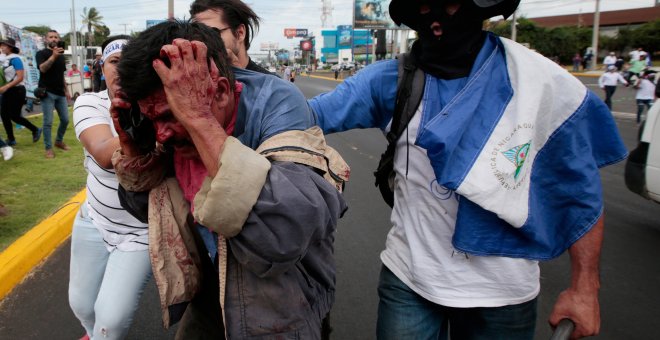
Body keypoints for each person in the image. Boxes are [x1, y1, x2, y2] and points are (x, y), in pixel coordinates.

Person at [308, 0, 627, 339]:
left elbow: (580, 190)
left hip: (504, 294)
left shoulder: (537, 83)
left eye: (451, 6)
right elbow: (305, 115)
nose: (436, 21)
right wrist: (247, 79)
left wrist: (584, 289)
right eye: (427, 7)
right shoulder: (392, 80)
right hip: (410, 278)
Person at [113, 20, 348, 339]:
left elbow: (282, 237)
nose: (162, 133)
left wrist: (196, 118)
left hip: (283, 304)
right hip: (213, 290)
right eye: (153, 119)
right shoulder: (168, 122)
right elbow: (146, 210)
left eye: (170, 116)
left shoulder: (276, 103)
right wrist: (133, 147)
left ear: (221, 91)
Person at [68, 35, 152, 340]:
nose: (121, 70)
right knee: (81, 306)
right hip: (95, 221)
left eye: (130, 62)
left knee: (111, 321)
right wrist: (153, 127)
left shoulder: (158, 103)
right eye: (114, 62)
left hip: (140, 233)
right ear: (102, 68)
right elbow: (104, 154)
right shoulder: (90, 102)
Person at [190, 0, 273, 74]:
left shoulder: (272, 87)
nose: (202, 43)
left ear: (240, 33)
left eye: (213, 32)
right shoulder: (193, 81)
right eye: (197, 34)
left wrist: (242, 77)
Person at [36, 30, 71, 158]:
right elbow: (43, 68)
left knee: (66, 120)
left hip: (60, 93)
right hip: (47, 92)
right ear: (46, 40)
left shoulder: (61, 56)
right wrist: (53, 56)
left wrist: (66, 90)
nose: (54, 39)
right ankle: (48, 148)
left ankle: (58, 141)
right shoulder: (41, 53)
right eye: (51, 37)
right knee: (48, 122)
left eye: (56, 37)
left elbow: (61, 75)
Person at [0, 38, 41, 146]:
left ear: (10, 47)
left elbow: (20, 77)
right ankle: (11, 139)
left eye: (4, 45)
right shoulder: (5, 59)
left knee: (14, 116)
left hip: (17, 90)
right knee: (4, 115)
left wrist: (6, 86)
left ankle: (35, 129)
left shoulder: (16, 59)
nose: (2, 47)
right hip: (8, 90)